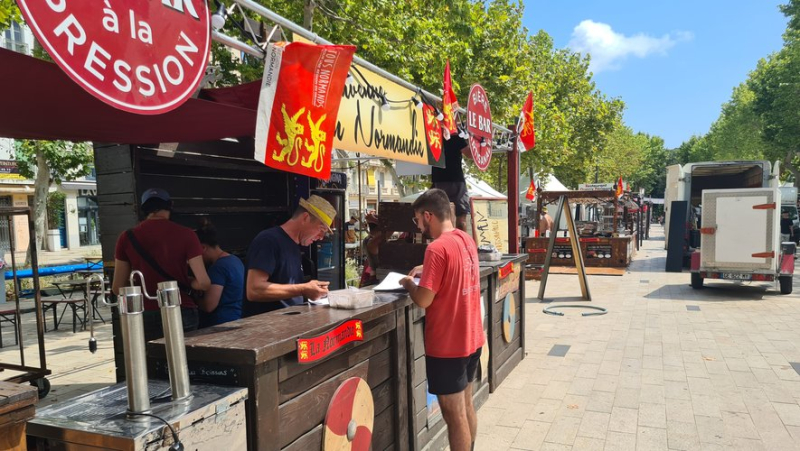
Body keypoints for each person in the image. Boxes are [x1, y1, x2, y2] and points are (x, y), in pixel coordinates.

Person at [400, 189, 483, 451]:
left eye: (418, 220)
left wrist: (407, 284)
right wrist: (428, 270)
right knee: (466, 404)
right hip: (472, 338)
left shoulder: (435, 248)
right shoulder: (465, 239)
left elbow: (424, 299)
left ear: (428, 215)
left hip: (448, 345)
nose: (419, 226)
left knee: (453, 413)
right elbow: (455, 265)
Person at [112, 188, 211, 341]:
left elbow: (117, 287)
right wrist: (189, 282)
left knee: (151, 362)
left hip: (144, 312)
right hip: (180, 308)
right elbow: (204, 283)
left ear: (144, 209)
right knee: (182, 361)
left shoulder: (127, 237)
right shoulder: (187, 235)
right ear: (170, 206)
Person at [244, 195, 335, 316]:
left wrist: (309, 289)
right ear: (306, 218)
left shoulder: (294, 246)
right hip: (265, 330)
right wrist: (303, 289)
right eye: (321, 230)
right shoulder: (268, 240)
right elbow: (254, 290)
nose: (321, 237)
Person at [195, 220, 245, 328]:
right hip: (238, 319)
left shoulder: (218, 268)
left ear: (203, 248)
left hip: (220, 324)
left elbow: (209, 305)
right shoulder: (235, 260)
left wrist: (193, 299)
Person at [432, 135, 471, 232]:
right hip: (455, 178)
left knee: (443, 215)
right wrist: (471, 140)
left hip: (438, 179)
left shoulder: (433, 134)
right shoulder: (455, 136)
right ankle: (460, 244)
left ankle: (446, 243)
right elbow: (470, 154)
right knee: (461, 214)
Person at [360, 211, 386, 287]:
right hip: (376, 280)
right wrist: (375, 220)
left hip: (375, 278)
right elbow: (389, 230)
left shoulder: (368, 239)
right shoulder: (372, 242)